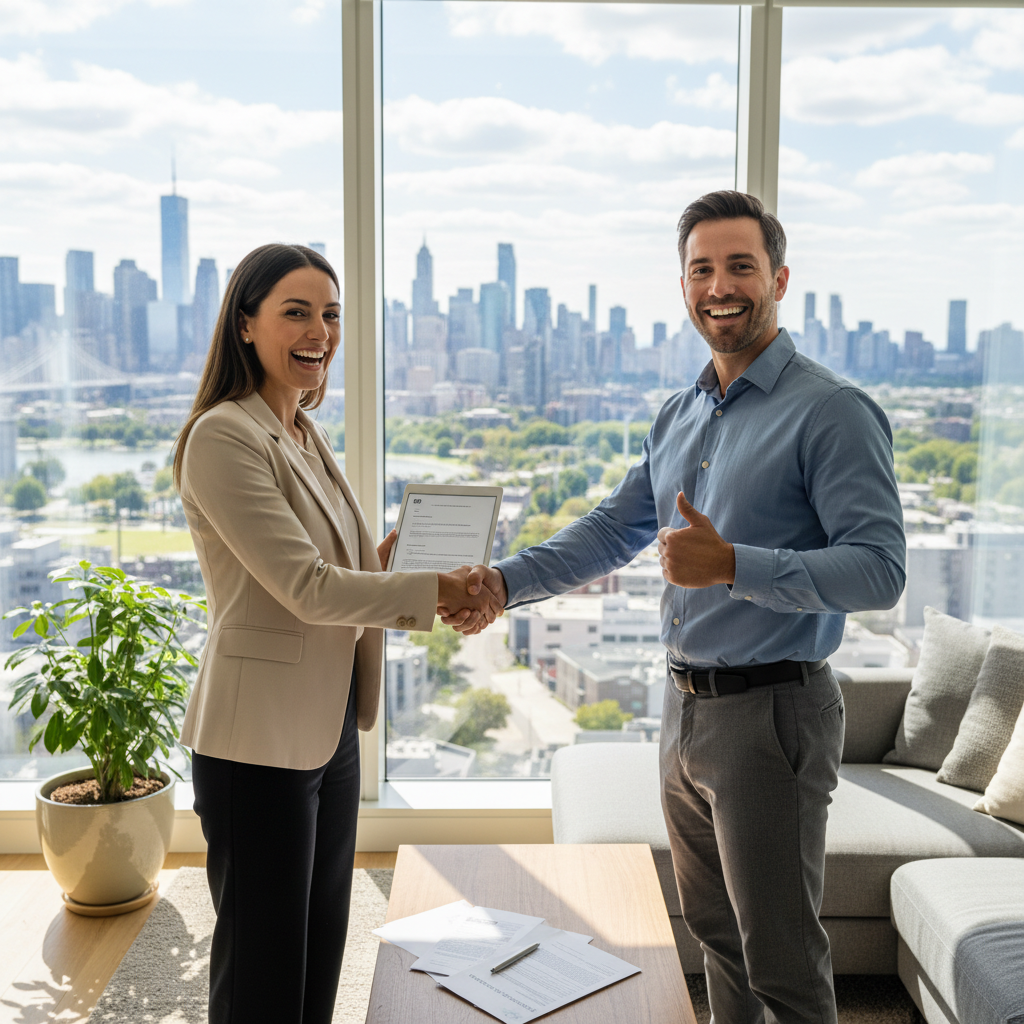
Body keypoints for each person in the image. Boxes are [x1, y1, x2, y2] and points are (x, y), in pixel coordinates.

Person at [452, 192, 906, 1024]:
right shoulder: (683, 412)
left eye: (740, 265)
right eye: (702, 268)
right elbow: (612, 529)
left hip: (774, 712)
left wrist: (733, 564)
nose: (720, 285)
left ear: (779, 277)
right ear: (684, 284)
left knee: (780, 958)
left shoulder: (830, 411)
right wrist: (504, 584)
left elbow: (879, 572)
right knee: (715, 938)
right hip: (684, 711)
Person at [173, 243, 500, 1024]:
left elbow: (327, 562)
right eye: (295, 312)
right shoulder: (224, 436)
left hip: (327, 728)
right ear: (245, 324)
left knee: (320, 945)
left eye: (330, 313)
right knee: (261, 966)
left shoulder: (301, 430)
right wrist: (427, 590)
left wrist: (384, 559)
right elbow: (304, 587)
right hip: (257, 743)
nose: (319, 329)